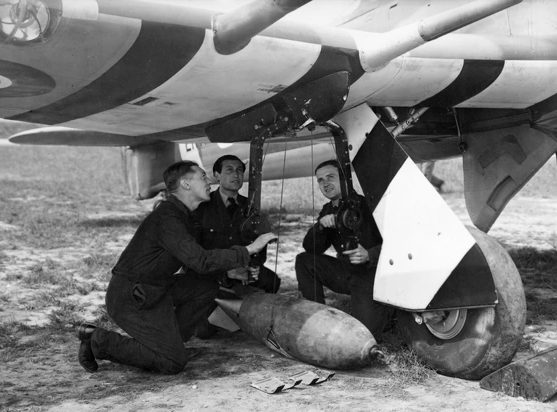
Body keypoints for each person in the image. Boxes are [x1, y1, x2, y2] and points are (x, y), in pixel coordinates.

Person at [76, 161, 277, 374]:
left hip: (156, 288)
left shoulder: (185, 215)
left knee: (206, 287)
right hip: (131, 296)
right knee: (172, 362)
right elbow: (200, 260)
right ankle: (97, 339)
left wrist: (231, 269)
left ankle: (172, 341)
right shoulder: (168, 217)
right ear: (185, 184)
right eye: (202, 177)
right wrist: (248, 250)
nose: (209, 181)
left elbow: (200, 258)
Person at [295, 160, 393, 339]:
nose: (325, 183)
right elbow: (310, 248)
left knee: (364, 333)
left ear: (344, 179)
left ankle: (390, 311)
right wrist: (320, 227)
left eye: (330, 177)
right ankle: (315, 316)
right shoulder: (327, 210)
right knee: (304, 260)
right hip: (344, 272)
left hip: (370, 275)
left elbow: (397, 242)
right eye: (320, 180)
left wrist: (370, 254)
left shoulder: (367, 205)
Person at [192, 155, 280, 337]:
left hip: (241, 272)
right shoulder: (202, 207)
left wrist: (253, 267)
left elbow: (259, 249)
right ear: (217, 175)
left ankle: (249, 315)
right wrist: (225, 272)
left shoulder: (251, 208)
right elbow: (194, 255)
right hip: (211, 274)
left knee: (270, 280)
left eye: (240, 170)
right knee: (202, 332)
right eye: (229, 170)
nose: (236, 175)